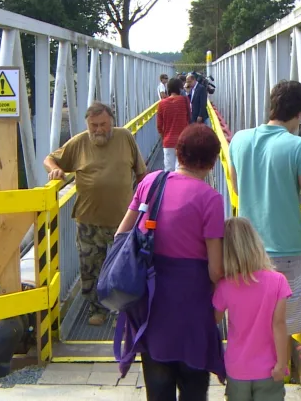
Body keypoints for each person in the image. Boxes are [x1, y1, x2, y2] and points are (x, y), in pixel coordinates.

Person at [115, 123, 226, 401]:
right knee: (192, 386)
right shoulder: (211, 199)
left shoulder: (150, 182)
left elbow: (121, 234)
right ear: (212, 162)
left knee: (158, 383)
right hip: (192, 304)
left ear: (178, 152)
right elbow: (215, 269)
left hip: (150, 302)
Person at [227, 80, 301, 336]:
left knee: (250, 322)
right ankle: (277, 373)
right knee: (284, 328)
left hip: (248, 248)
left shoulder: (239, 139)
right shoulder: (299, 146)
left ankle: (248, 371)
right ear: (299, 114)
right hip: (288, 251)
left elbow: (236, 188)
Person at [43, 102, 147, 326]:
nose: (98, 130)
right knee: (91, 267)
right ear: (87, 125)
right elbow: (49, 159)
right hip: (89, 220)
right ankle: (97, 309)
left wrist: (145, 209)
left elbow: (141, 174)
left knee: (126, 266)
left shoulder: (125, 137)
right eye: (94, 126)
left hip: (124, 220)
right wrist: (54, 170)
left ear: (112, 122)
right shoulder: (79, 142)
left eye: (103, 125)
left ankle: (125, 311)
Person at [214, 217, 291, 401]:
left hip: (236, 370)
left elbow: (212, 321)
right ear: (255, 243)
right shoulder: (278, 281)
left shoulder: (224, 286)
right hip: (269, 370)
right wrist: (281, 364)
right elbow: (279, 325)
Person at [156, 77, 191, 171]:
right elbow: (189, 118)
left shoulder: (162, 104)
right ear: (180, 88)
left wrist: (165, 136)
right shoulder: (184, 100)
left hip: (168, 141)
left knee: (168, 169)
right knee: (180, 168)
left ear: (169, 89)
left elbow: (159, 126)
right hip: (182, 140)